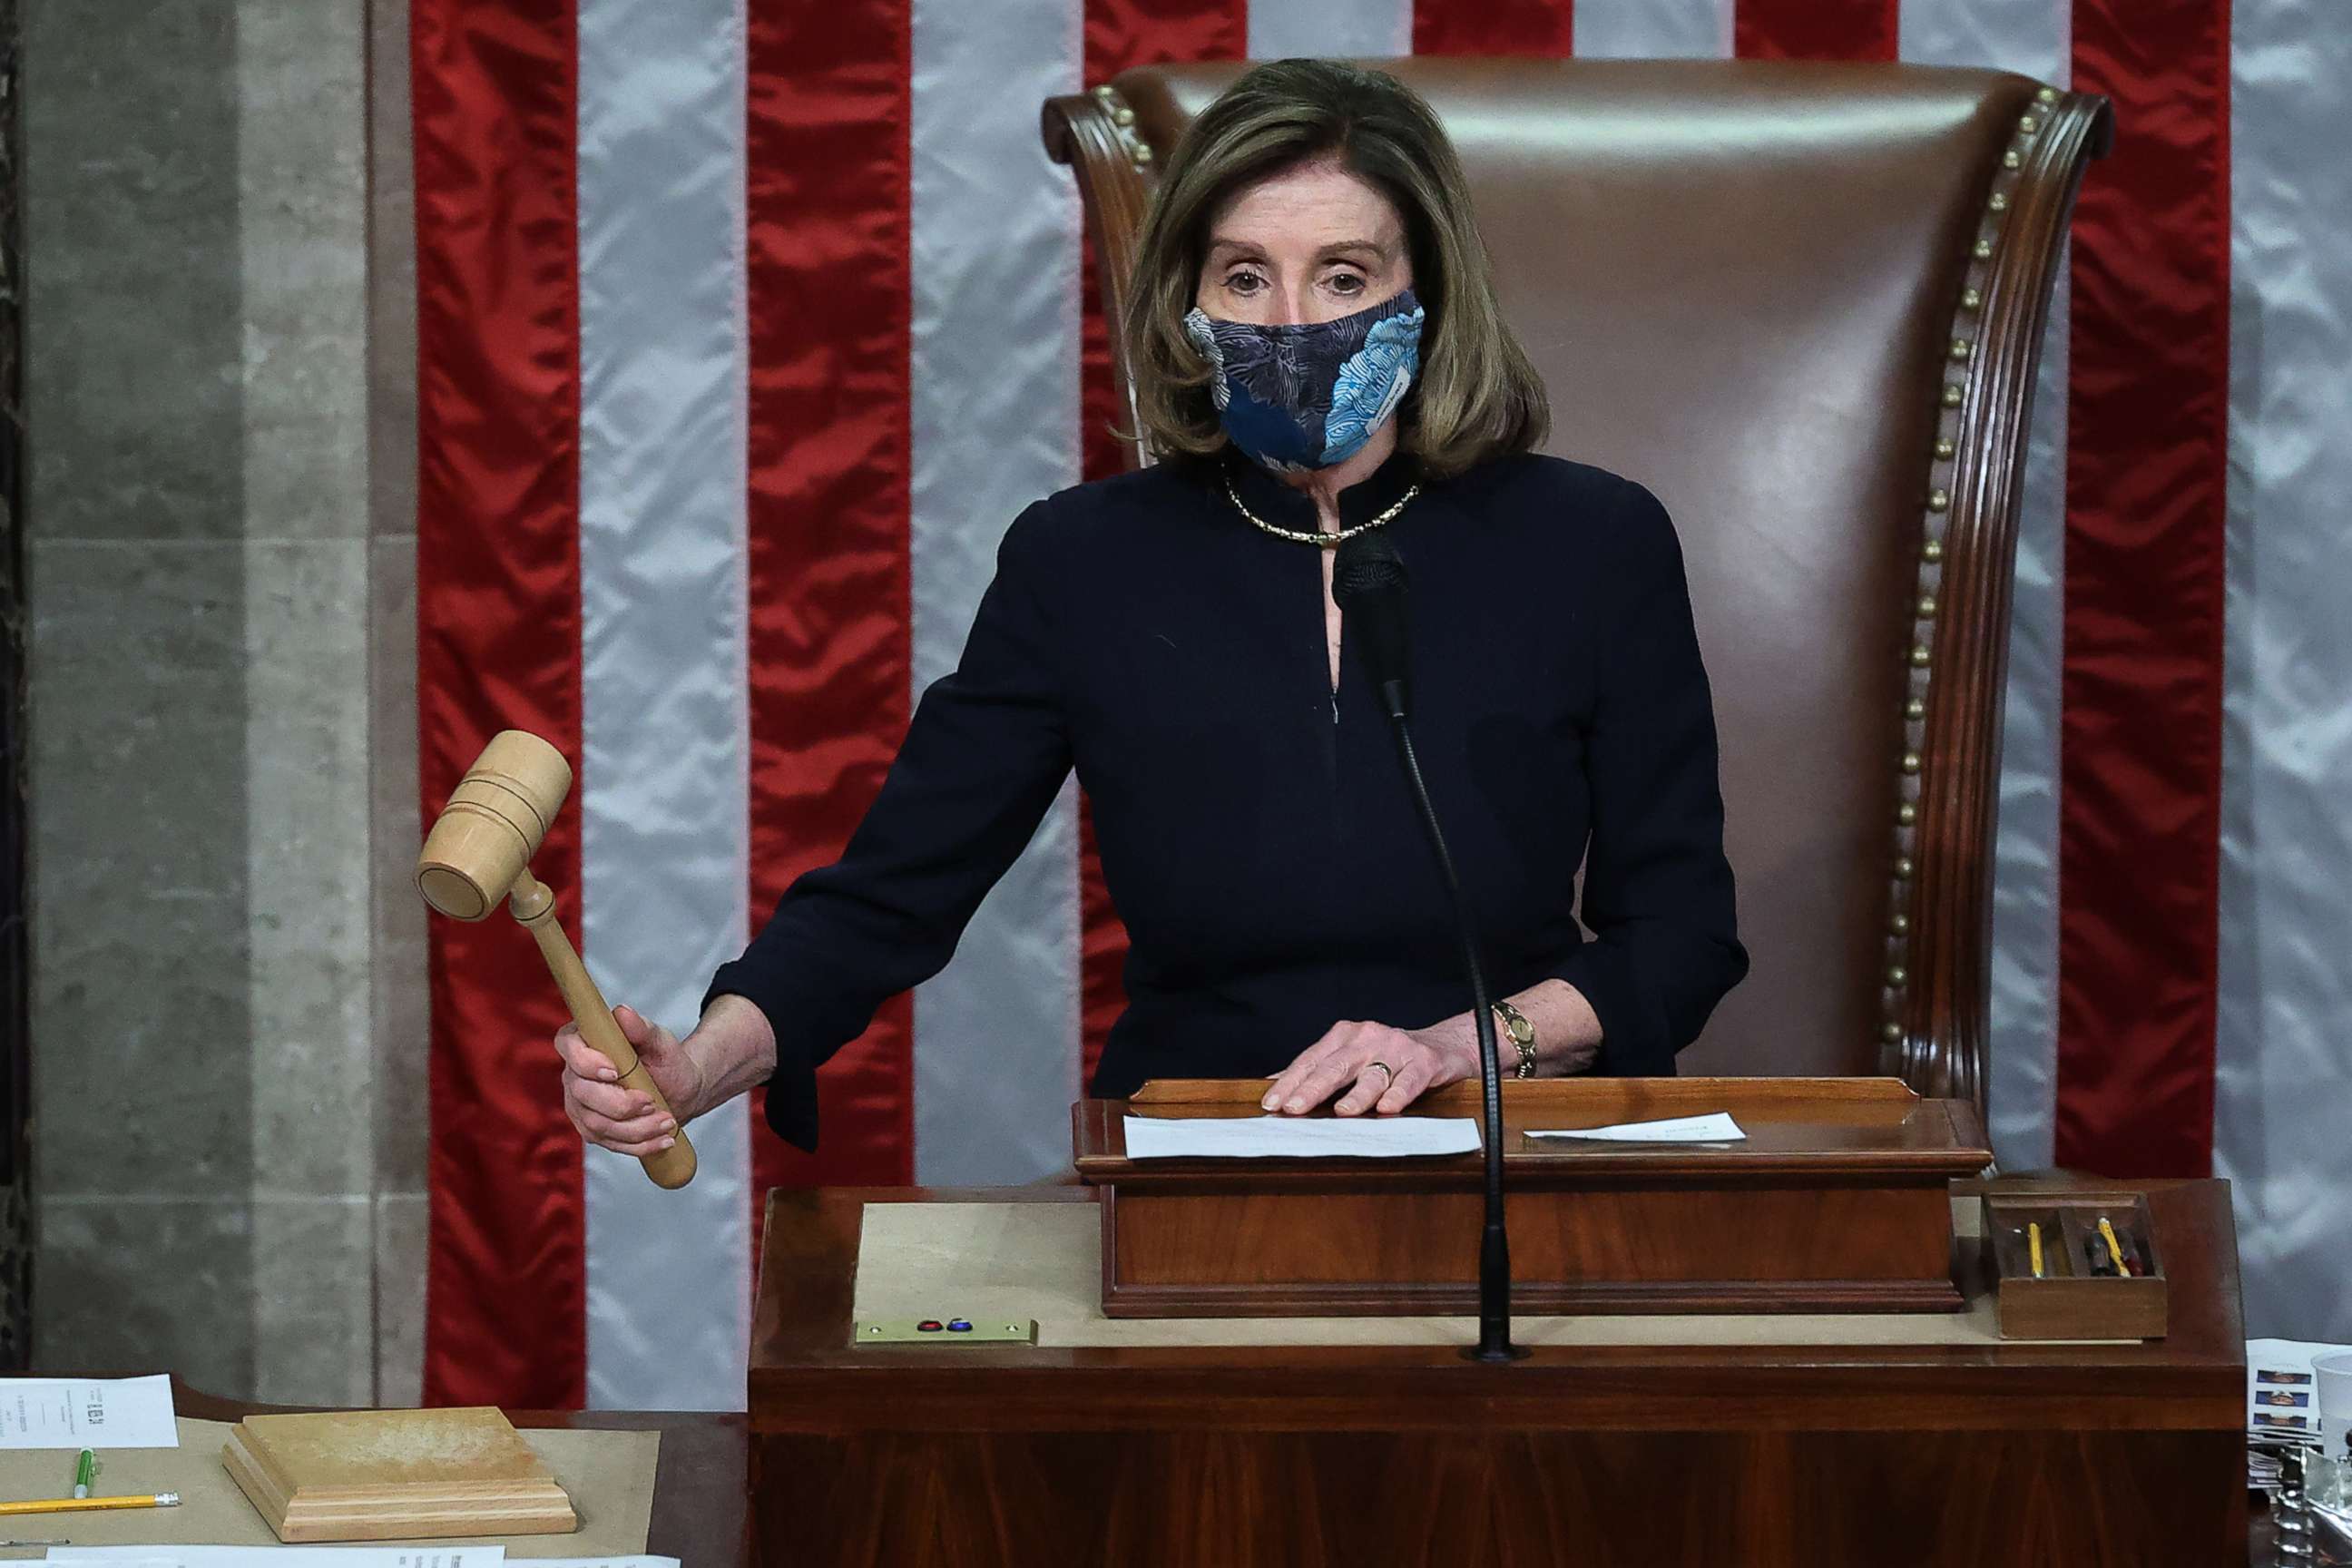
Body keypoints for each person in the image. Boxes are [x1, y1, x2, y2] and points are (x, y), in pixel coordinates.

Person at [554, 59, 1748, 1161]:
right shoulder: (1084, 562)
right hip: (1201, 1151)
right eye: (1245, 276)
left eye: (1344, 275)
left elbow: (1680, 935)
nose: (1291, 323)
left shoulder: (1592, 543)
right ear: (1188, 304)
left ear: (1426, 292)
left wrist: (1456, 1049)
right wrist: (707, 1058)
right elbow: (892, 893)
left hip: (1512, 1145)